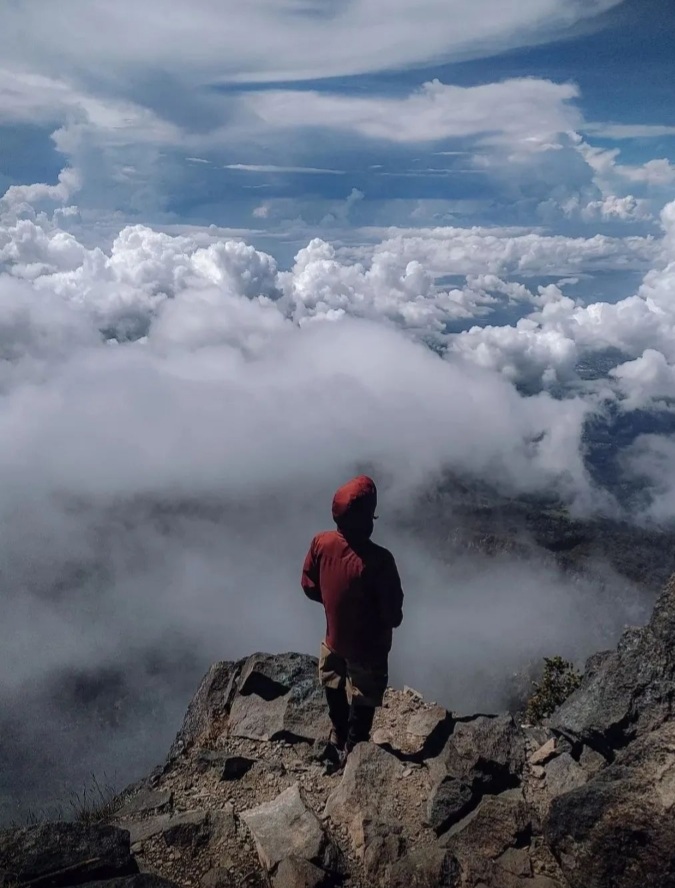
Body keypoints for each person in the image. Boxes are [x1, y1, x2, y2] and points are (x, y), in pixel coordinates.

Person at [301, 475, 404, 766]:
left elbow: (309, 586)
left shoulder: (320, 543)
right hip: (368, 649)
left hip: (333, 639)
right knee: (364, 693)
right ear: (369, 519)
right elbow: (393, 614)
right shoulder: (380, 561)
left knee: (332, 681)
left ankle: (338, 735)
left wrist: (336, 606)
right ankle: (355, 748)